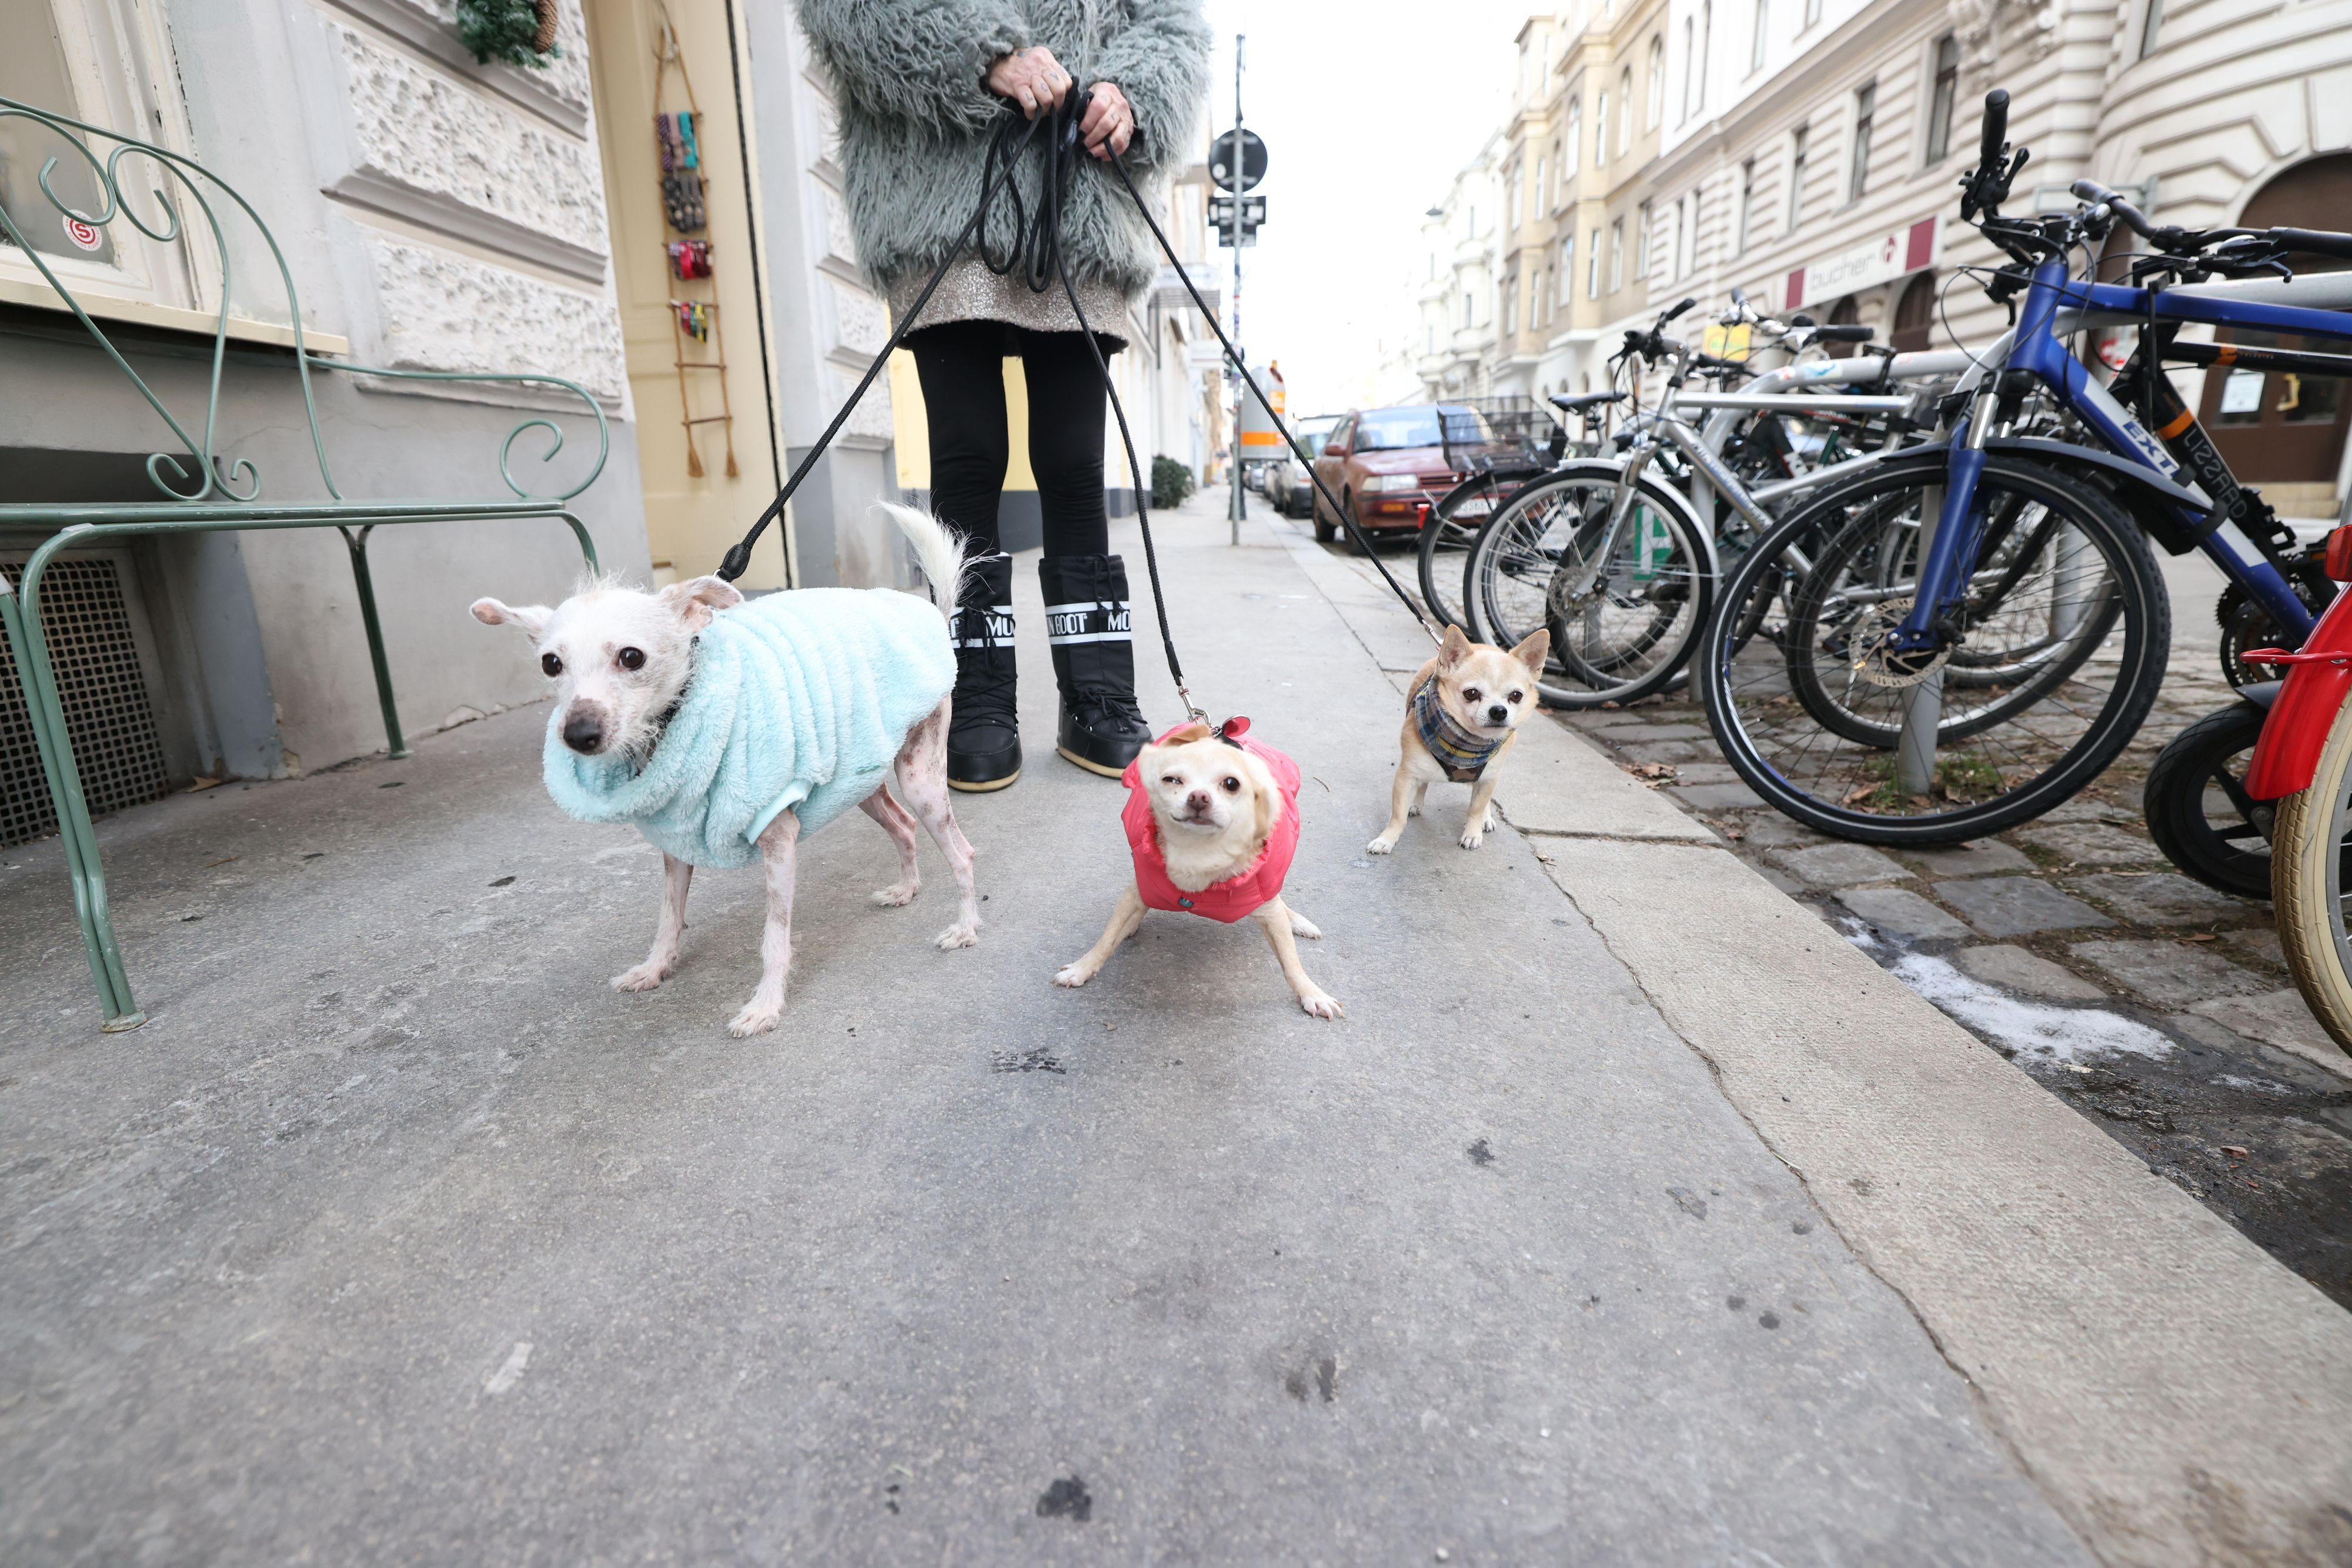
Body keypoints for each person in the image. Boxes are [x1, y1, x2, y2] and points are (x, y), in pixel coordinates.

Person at [797, 0, 1211, 792]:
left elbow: (1171, 24)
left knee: (1074, 463)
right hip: (941, 191)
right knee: (967, 457)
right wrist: (981, 52)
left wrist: (1129, 93)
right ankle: (974, 694)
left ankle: (1097, 695)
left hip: (1080, 204)